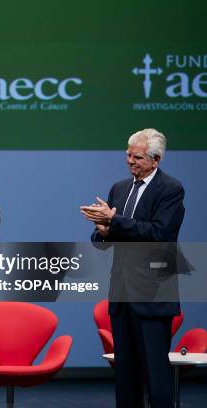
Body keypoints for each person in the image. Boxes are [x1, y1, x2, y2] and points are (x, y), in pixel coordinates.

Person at [80, 129, 184, 408]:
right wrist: (102, 231)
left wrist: (115, 219)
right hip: (122, 294)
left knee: (155, 374)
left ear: (156, 159)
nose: (130, 161)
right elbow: (108, 240)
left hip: (152, 295)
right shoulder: (119, 189)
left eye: (137, 157)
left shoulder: (170, 189)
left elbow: (159, 234)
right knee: (125, 376)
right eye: (127, 154)